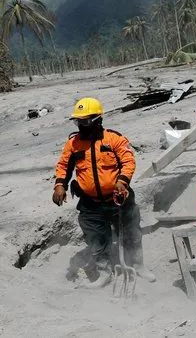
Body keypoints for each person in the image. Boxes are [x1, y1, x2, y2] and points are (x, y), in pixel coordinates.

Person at [52, 97, 155, 288]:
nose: (81, 125)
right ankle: (104, 272)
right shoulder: (73, 144)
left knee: (131, 232)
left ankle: (139, 266)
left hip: (118, 199)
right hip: (90, 203)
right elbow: (64, 165)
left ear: (98, 120)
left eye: (85, 121)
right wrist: (60, 185)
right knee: (96, 238)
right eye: (78, 121)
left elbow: (128, 161)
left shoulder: (114, 139)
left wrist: (122, 181)